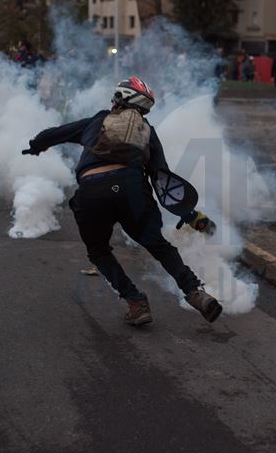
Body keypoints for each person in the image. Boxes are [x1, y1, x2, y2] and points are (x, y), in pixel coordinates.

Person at [22, 76, 224, 326]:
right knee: (159, 246)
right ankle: (195, 292)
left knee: (98, 251)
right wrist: (190, 215)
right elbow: (162, 179)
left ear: (118, 99)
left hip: (92, 192)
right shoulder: (147, 131)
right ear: (143, 108)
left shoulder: (98, 121)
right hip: (132, 191)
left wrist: (36, 145)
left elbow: (56, 134)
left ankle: (135, 302)